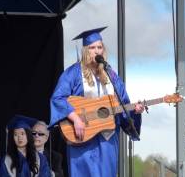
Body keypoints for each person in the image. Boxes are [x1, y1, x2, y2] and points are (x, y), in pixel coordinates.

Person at [49, 27, 145, 177]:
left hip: (107, 141)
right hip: (82, 138)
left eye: (99, 47)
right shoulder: (73, 73)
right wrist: (75, 119)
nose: (96, 51)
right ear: (85, 50)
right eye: (92, 47)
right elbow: (58, 98)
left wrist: (134, 111)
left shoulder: (111, 75)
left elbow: (123, 104)